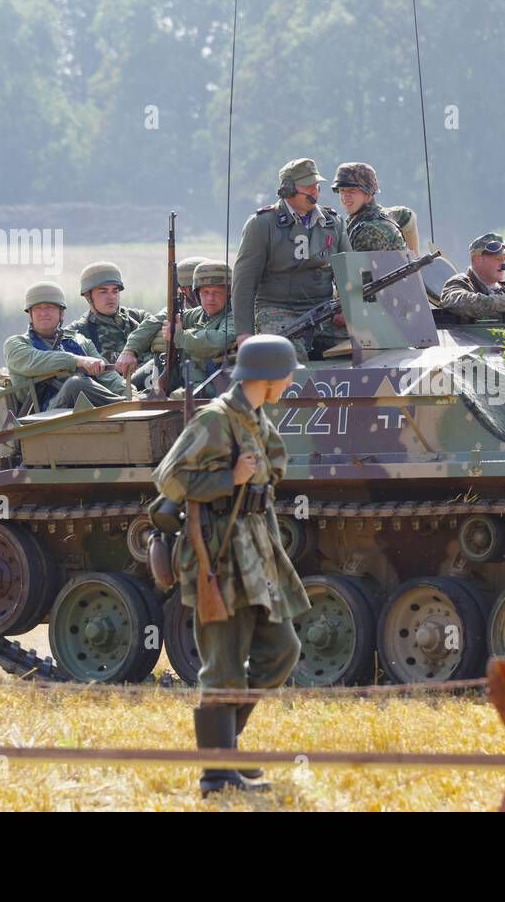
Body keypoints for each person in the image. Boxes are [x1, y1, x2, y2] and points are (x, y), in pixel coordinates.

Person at [152, 334, 309, 797]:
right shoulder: (217, 419)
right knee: (222, 666)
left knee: (281, 649)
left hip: (254, 552)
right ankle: (216, 775)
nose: (292, 378)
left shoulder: (255, 418)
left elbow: (271, 469)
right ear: (267, 375)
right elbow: (169, 477)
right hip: (217, 557)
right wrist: (229, 478)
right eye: (288, 371)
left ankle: (224, 751)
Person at [231, 158, 351, 360]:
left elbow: (348, 271)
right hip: (278, 311)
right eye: (306, 186)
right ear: (287, 190)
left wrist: (347, 308)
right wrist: (244, 332)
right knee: (289, 353)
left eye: (316, 186)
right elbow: (244, 282)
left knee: (367, 342)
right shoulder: (263, 225)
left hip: (322, 310)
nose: (313, 191)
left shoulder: (332, 223)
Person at [4, 282, 130, 411]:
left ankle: (128, 403)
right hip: (44, 413)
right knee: (76, 384)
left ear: (61, 313)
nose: (43, 313)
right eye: (37, 308)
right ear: (30, 314)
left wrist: (130, 393)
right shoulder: (16, 344)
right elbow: (37, 360)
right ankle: (122, 406)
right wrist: (78, 361)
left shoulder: (79, 341)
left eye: (50, 307)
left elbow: (107, 375)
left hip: (87, 406)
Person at [120, 255, 209, 390]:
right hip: (170, 366)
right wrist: (130, 350)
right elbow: (149, 325)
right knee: (128, 389)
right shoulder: (176, 310)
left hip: (199, 370)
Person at [164, 260, 237, 399]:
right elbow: (162, 320)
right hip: (199, 383)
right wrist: (131, 350)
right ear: (197, 294)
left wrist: (179, 337)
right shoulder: (198, 314)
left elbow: (220, 340)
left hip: (224, 387)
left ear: (228, 293)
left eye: (217, 292)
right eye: (206, 292)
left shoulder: (236, 315)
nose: (211, 298)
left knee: (176, 398)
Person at [68, 261, 152, 369]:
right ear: (87, 295)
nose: (111, 297)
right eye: (103, 292)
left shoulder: (137, 317)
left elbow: (161, 323)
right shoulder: (78, 332)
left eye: (115, 291)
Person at [331, 162, 406, 252]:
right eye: (342, 190)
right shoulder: (380, 215)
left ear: (368, 193)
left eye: (352, 190)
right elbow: (407, 214)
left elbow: (357, 266)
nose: (345, 197)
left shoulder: (369, 230)